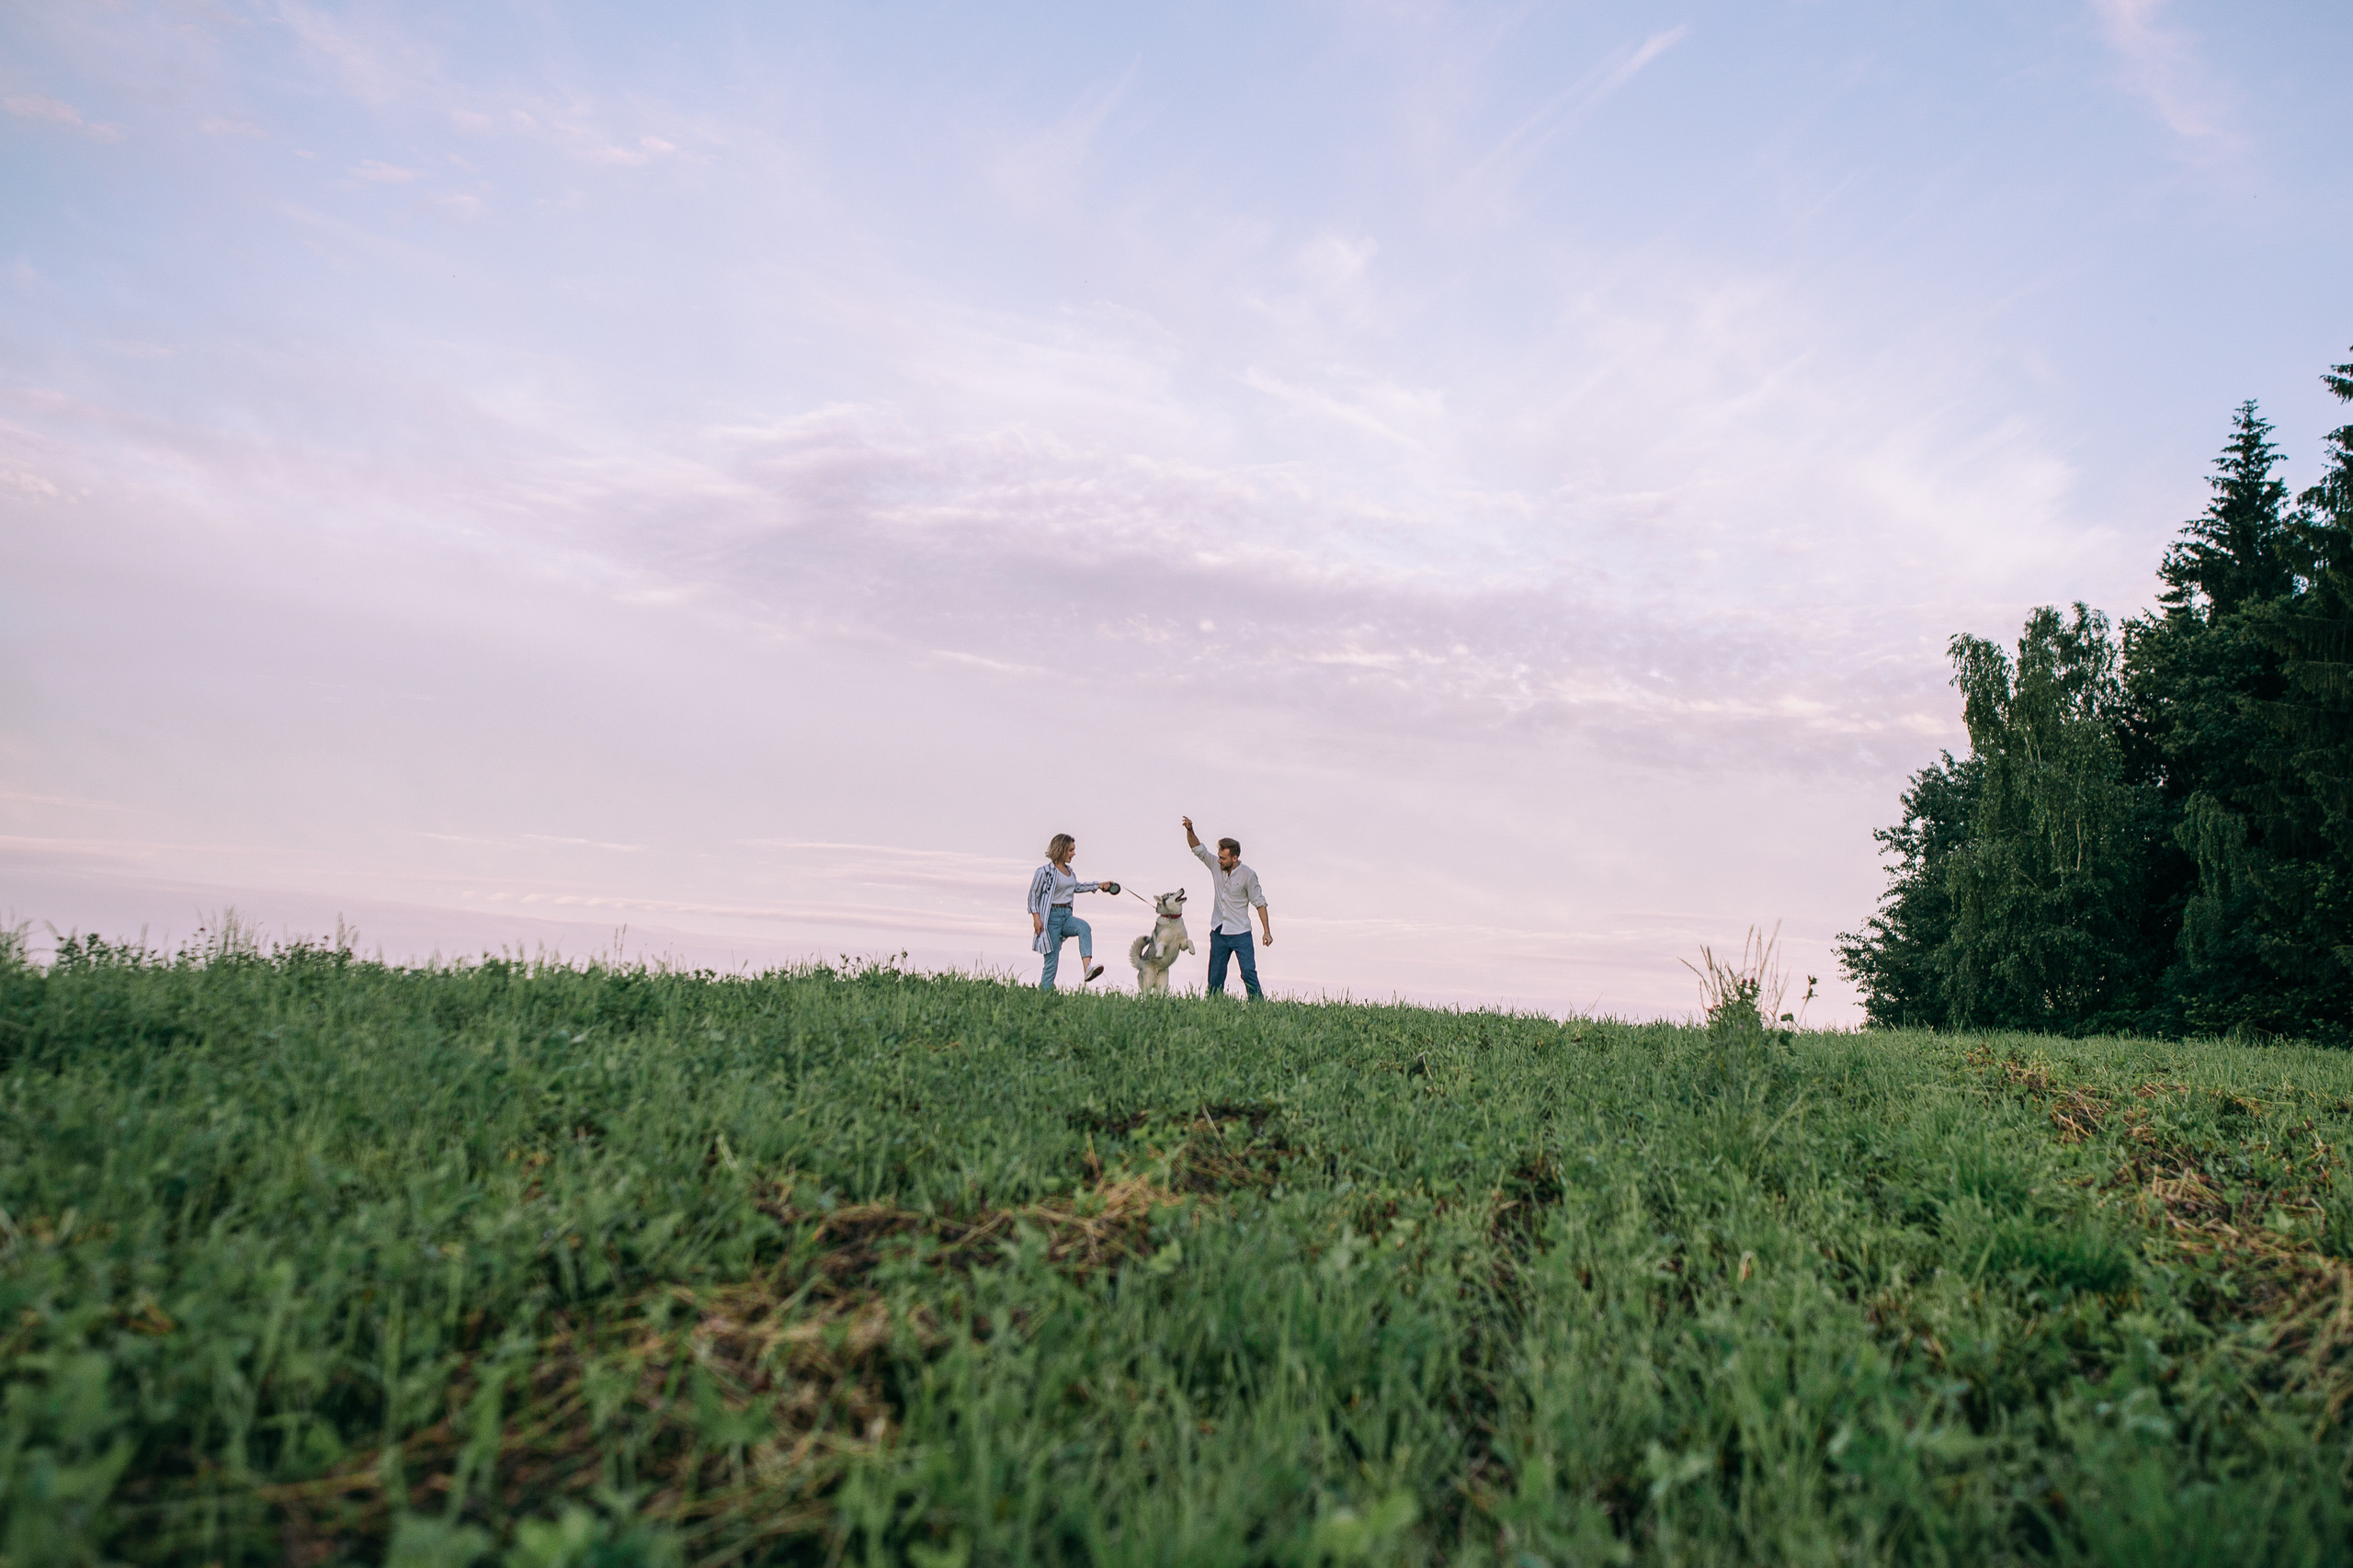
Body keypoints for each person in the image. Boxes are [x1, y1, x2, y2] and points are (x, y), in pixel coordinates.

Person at [1183, 815, 1270, 1000]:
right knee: (1215, 977)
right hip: (1219, 931)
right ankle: (1214, 1005)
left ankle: (1258, 1005)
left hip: (1241, 933)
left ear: (1235, 858)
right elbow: (1197, 849)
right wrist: (1190, 830)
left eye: (1223, 858)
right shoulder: (1216, 866)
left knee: (1248, 973)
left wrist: (1266, 932)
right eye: (1219, 857)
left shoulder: (1248, 875)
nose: (1219, 861)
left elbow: (1260, 903)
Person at [1028, 833, 1112, 990]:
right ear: (1061, 850)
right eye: (1070, 850)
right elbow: (1033, 895)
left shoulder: (1070, 872)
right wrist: (1036, 918)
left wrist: (1099, 885)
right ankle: (1044, 994)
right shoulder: (1045, 872)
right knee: (1052, 962)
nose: (1074, 854)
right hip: (1050, 919)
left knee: (1084, 927)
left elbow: (1077, 887)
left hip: (1066, 916)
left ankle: (1088, 969)